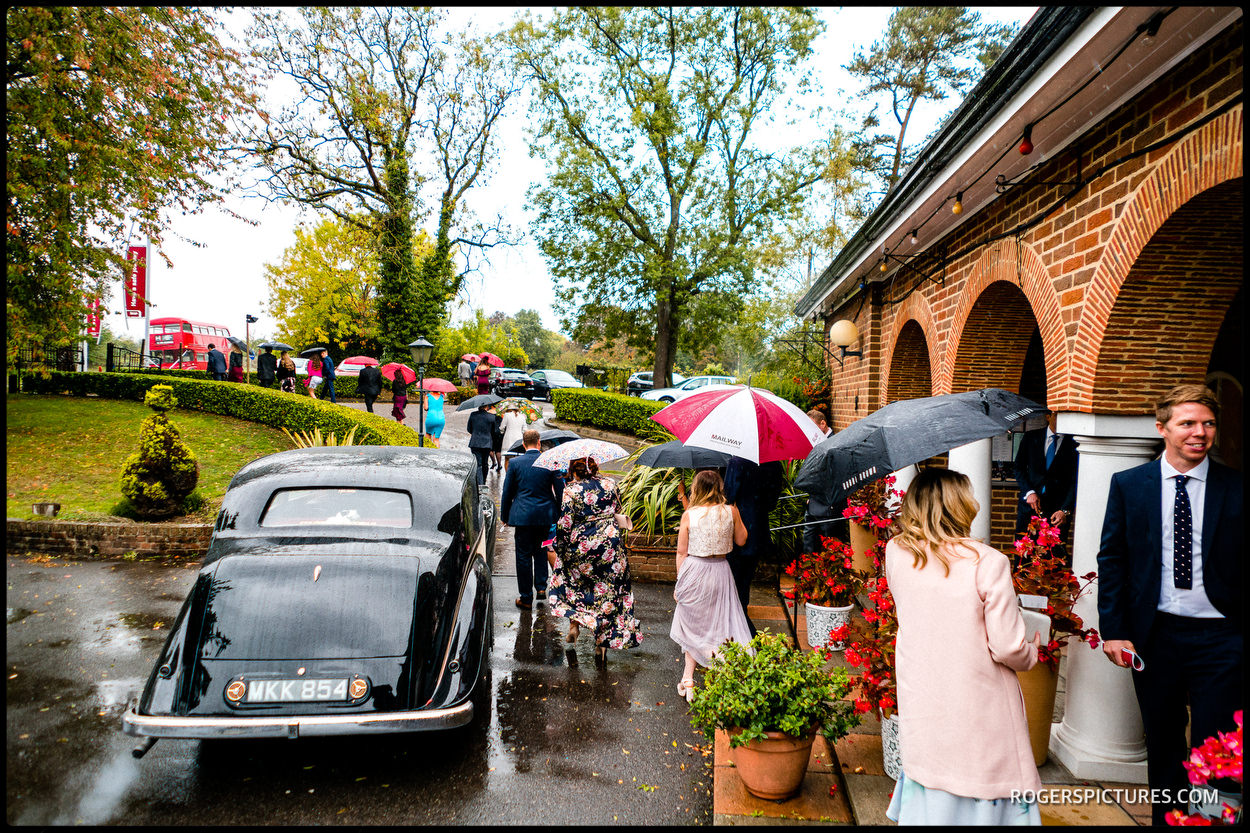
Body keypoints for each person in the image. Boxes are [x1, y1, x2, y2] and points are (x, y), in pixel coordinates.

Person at [1097, 384, 1242, 825]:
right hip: (1154, 636)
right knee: (1163, 742)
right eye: (1188, 423)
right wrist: (1113, 629)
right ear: (1162, 428)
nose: (1200, 432)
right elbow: (1113, 558)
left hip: (1222, 637)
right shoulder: (1129, 485)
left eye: (1209, 423)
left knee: (1217, 744)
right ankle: (1170, 821)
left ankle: (1212, 821)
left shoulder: (1235, 487)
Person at [884, 466, 1043, 825]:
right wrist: (1032, 649)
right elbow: (1007, 647)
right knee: (981, 778)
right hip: (976, 698)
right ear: (961, 506)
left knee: (932, 773)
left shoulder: (897, 553)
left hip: (923, 690)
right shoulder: (989, 563)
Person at [547, 456, 643, 664]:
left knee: (573, 583)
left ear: (574, 470)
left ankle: (574, 625)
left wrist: (560, 548)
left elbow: (565, 524)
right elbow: (618, 510)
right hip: (610, 547)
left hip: (582, 548)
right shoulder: (610, 484)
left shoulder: (571, 491)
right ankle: (601, 643)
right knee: (606, 593)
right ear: (596, 467)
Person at [670, 470, 751, 702]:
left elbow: (681, 552)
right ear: (719, 487)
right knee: (720, 626)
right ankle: (719, 679)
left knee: (694, 626)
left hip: (695, 571)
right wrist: (737, 515)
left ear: (697, 488)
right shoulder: (731, 511)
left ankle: (688, 679)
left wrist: (680, 582)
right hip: (721, 572)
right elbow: (742, 540)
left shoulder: (690, 514)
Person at [501, 429, 566, 610]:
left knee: (522, 556)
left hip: (522, 516)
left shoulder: (515, 463)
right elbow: (560, 490)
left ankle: (526, 597)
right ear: (539, 443)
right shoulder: (550, 462)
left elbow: (507, 492)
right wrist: (559, 513)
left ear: (523, 444)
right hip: (545, 516)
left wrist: (505, 516)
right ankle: (541, 587)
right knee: (541, 550)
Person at [723, 456, 786, 634]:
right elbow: (773, 501)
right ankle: (740, 624)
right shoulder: (774, 463)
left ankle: (743, 631)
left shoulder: (737, 462)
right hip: (758, 530)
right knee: (745, 581)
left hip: (737, 530)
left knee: (733, 582)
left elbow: (728, 495)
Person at [1013, 409, 1078, 561]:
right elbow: (1019, 468)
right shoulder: (1031, 437)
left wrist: (1065, 510)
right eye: (1057, 416)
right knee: (1023, 555)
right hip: (1030, 507)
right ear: (1048, 416)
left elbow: (1076, 480)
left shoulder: (1074, 443)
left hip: (1057, 512)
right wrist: (1029, 492)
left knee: (1053, 557)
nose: (1061, 420)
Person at [802, 408, 846, 557]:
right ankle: (808, 574)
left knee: (830, 545)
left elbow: (836, 474)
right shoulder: (815, 442)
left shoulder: (836, 444)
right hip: (813, 503)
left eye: (812, 426)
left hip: (829, 505)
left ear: (822, 424)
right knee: (808, 542)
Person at [467, 403, 497, 486]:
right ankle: (483, 481)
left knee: (478, 463)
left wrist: (475, 433)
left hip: (475, 442)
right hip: (487, 443)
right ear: (487, 407)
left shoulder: (473, 415)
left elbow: (469, 428)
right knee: (485, 462)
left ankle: (479, 482)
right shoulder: (491, 417)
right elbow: (494, 431)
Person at [499, 404, 527, 471]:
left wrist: (502, 432)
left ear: (509, 410)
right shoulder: (522, 417)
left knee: (508, 459)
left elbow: (502, 427)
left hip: (508, 439)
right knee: (518, 459)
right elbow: (525, 430)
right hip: (519, 439)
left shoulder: (507, 415)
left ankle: (508, 476)